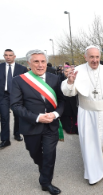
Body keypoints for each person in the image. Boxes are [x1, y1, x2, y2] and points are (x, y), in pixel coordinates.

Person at [61, 45, 103, 185]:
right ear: (85, 57)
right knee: (89, 143)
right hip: (87, 114)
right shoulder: (78, 70)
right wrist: (70, 82)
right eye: (91, 57)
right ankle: (93, 173)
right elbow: (68, 92)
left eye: (97, 57)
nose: (94, 60)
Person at [11, 50, 64, 194]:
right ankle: (43, 167)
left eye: (43, 61)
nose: (40, 65)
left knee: (49, 154)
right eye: (36, 61)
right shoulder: (18, 80)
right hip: (31, 125)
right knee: (34, 152)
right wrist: (37, 117)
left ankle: (46, 182)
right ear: (29, 63)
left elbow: (62, 101)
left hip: (51, 125)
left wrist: (55, 114)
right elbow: (16, 105)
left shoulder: (55, 79)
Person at [0, 49, 28, 149]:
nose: (8, 57)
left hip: (17, 96)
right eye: (6, 55)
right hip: (3, 96)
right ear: (4, 56)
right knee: (4, 117)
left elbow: (26, 83)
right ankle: (5, 139)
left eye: (10, 55)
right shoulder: (0, 67)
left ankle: (17, 134)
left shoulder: (22, 69)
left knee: (18, 116)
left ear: (14, 56)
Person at [59, 66, 78, 134]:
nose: (67, 73)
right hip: (65, 100)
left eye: (69, 71)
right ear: (63, 72)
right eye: (66, 71)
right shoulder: (60, 79)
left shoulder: (76, 79)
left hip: (74, 100)